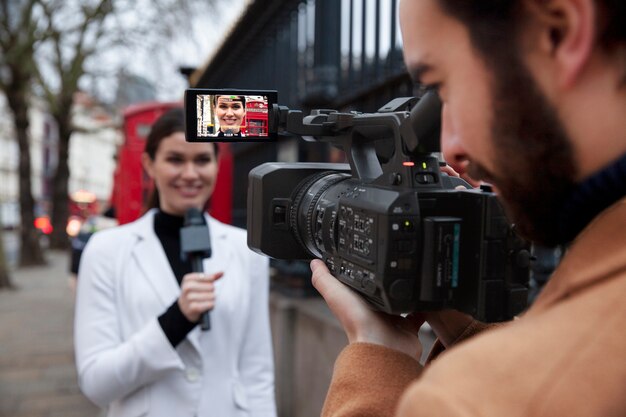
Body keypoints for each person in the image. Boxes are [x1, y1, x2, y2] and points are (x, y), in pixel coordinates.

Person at [310, 0, 626, 416]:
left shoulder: (470, 401)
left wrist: (377, 356)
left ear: (559, 32)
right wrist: (473, 333)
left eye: (444, 89)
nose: (452, 148)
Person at [74, 108, 276, 417]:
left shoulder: (246, 250)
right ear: (149, 164)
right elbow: (96, 384)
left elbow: (257, 371)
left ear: (216, 164)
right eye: (175, 160)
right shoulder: (106, 251)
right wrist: (175, 321)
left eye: (202, 160)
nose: (191, 174)